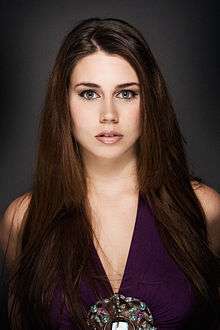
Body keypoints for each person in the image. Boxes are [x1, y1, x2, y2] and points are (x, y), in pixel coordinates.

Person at [0, 17, 220, 330]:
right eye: (89, 93)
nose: (108, 115)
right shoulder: (22, 218)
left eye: (126, 93)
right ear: (64, 103)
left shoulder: (205, 209)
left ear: (150, 102)